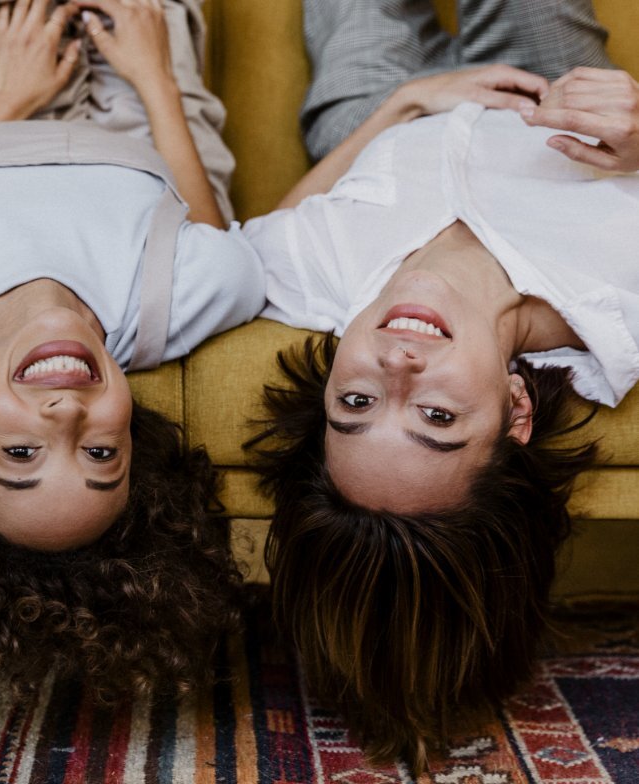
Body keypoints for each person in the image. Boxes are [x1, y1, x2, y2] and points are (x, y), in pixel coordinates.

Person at [243, 0, 639, 773]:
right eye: (435, 414)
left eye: (355, 405)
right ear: (516, 407)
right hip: (562, 104)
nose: (394, 365)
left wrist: (399, 107)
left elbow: (250, 244)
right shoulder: (621, 295)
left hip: (378, 125)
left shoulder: (320, 281)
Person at [0, 0, 264, 711]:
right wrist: (155, 79)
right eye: (101, 456)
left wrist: (5, 98)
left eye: (21, 454)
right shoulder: (164, 306)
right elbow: (222, 246)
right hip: (141, 100)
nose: (65, 415)